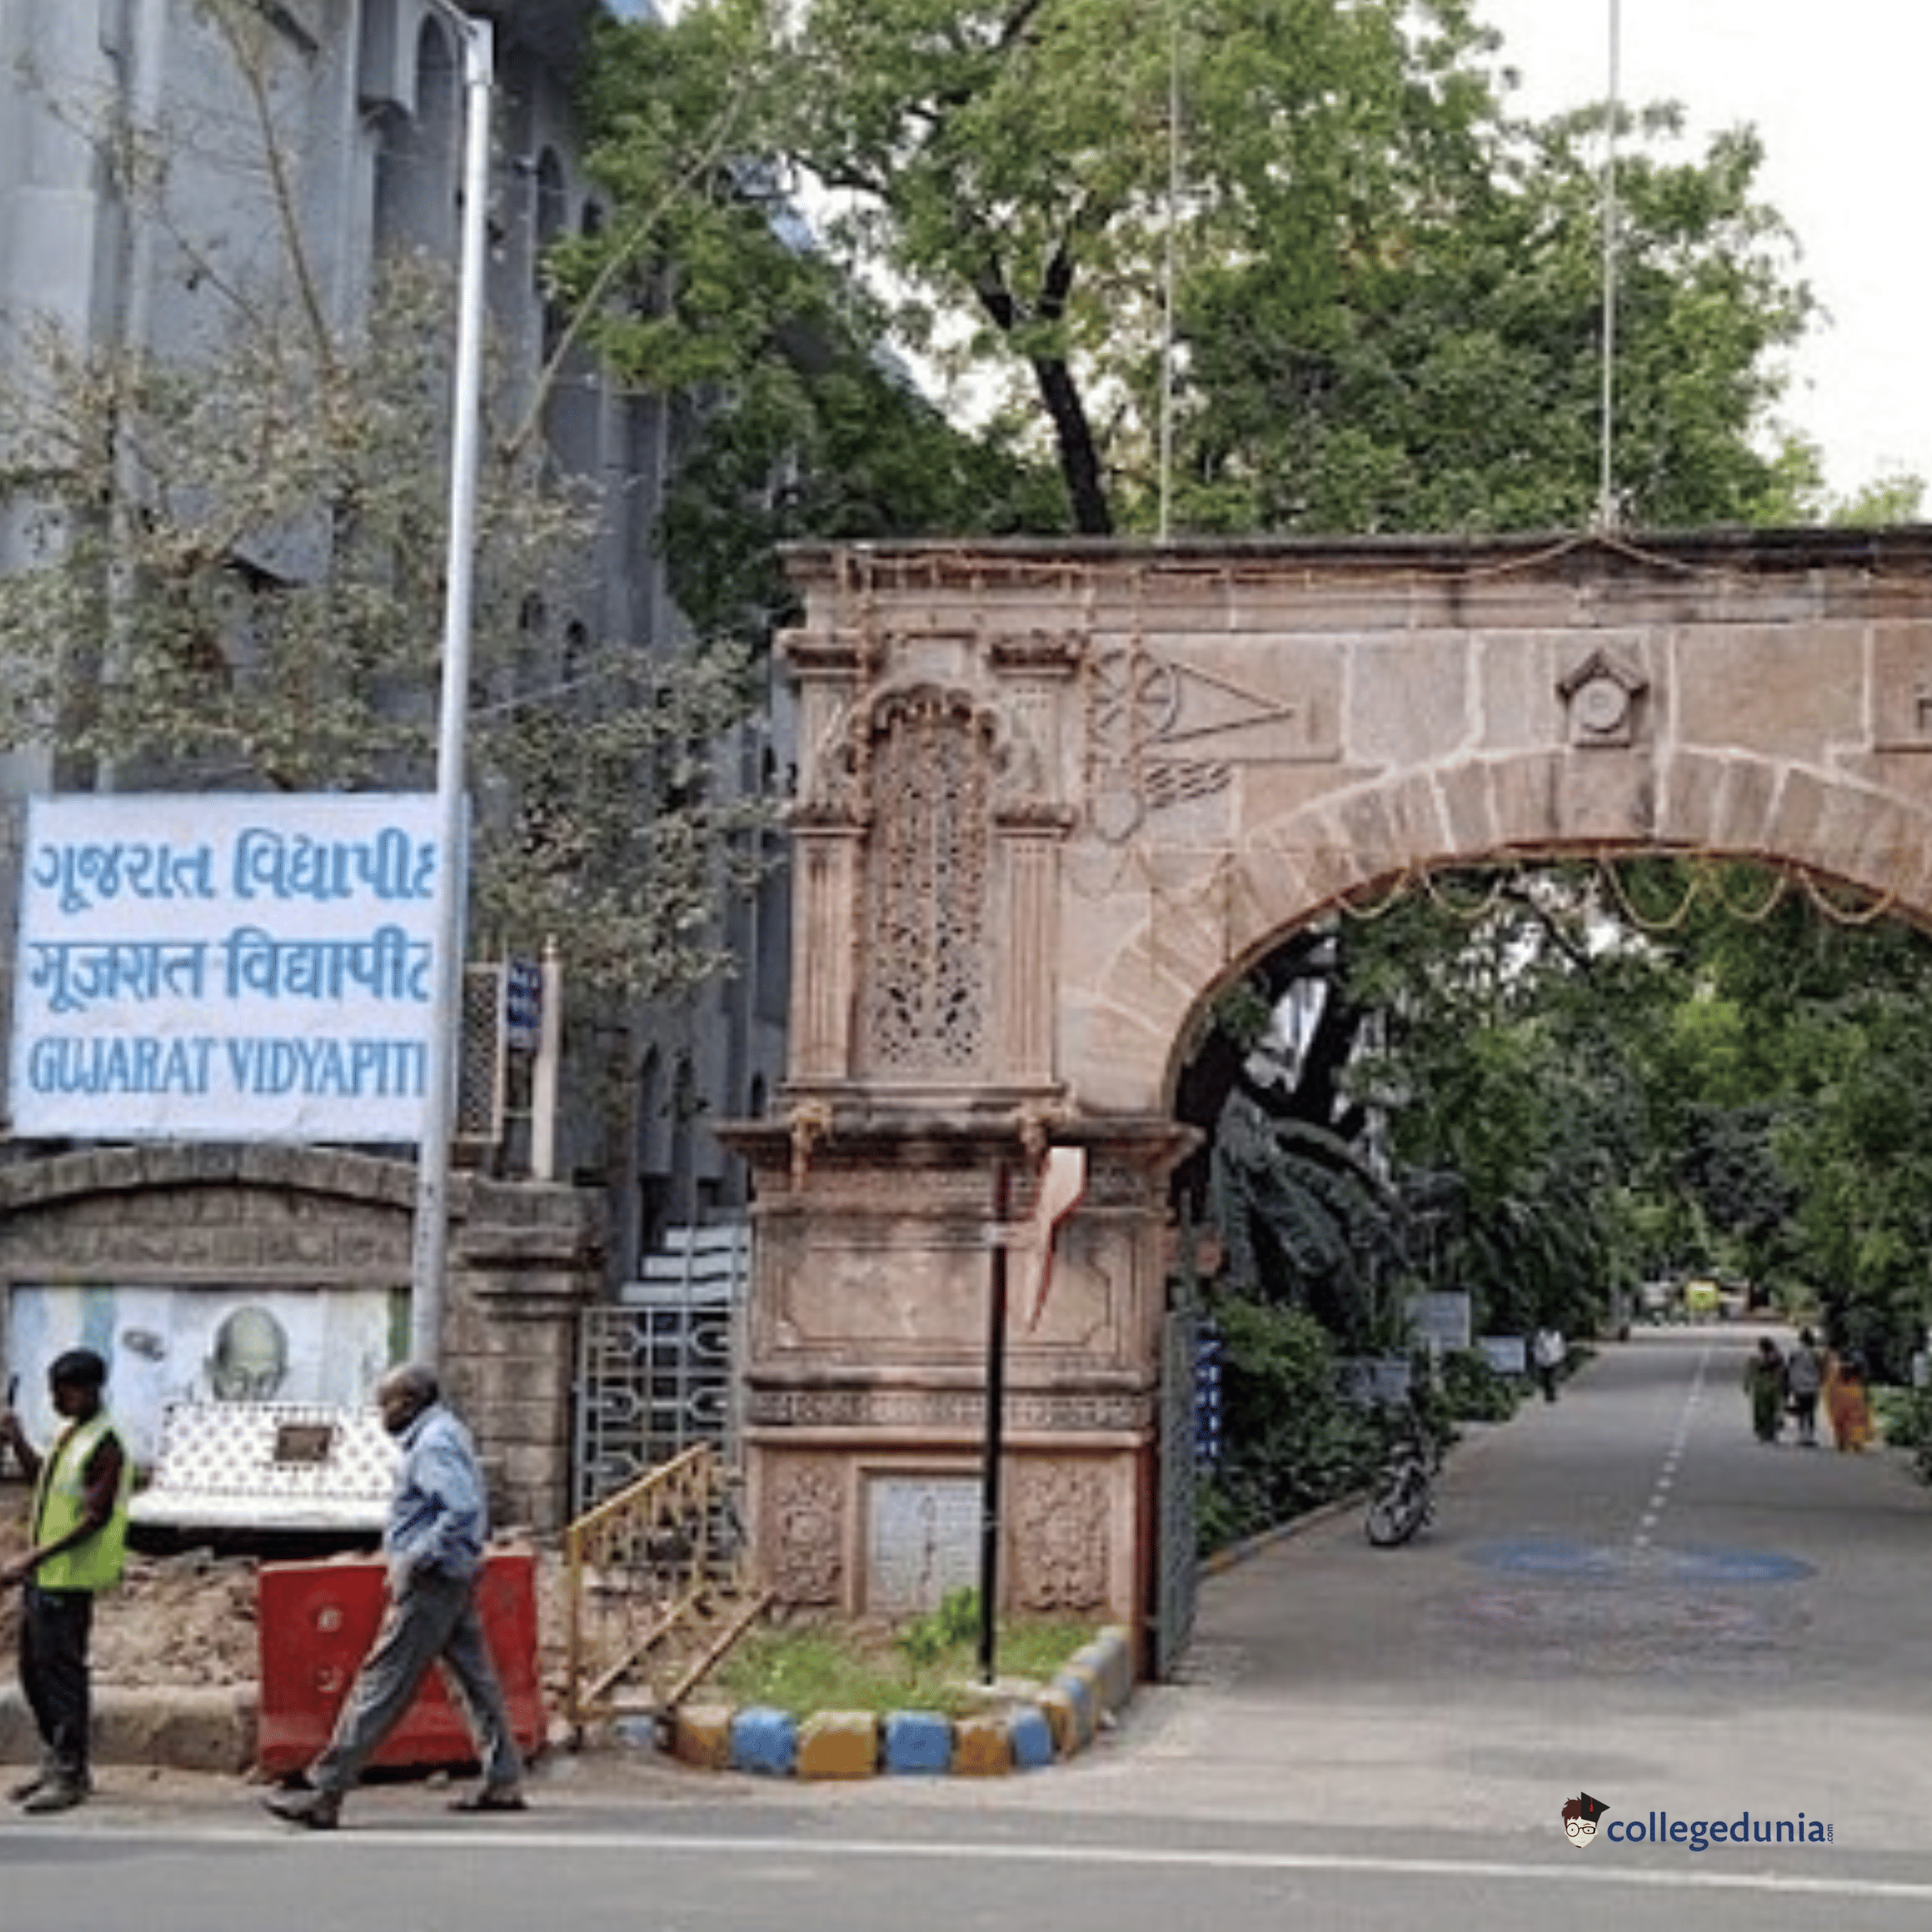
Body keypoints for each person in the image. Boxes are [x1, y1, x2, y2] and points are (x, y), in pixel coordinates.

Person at [262, 1363, 528, 1829]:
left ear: (409, 1402)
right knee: (474, 1679)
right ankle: (503, 1777)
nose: (380, 1414)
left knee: (382, 1683)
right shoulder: (447, 1432)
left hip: (432, 1579)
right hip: (453, 1574)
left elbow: (461, 1508)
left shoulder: (431, 1444)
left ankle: (327, 1789)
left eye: (385, 1404)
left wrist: (415, 1557)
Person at [0, 1348, 133, 1813]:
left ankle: (71, 1773)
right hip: (46, 1577)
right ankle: (55, 1760)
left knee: (61, 1679)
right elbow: (43, 1485)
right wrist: (17, 1439)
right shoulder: (71, 1436)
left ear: (89, 1391)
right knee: (33, 1674)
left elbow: (94, 1517)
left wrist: (30, 1558)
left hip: (70, 1579)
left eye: (64, 1392)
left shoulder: (105, 1445)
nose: (56, 1400)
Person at [1824, 1348, 1876, 1454]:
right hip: (1853, 1395)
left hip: (1840, 1396)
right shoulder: (1855, 1372)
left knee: (1841, 1421)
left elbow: (1830, 1387)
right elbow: (1864, 1383)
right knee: (1855, 1419)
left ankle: (1844, 1442)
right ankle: (1856, 1442)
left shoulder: (1837, 1371)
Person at [1784, 1327, 1825, 1447]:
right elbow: (1820, 1368)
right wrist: (1821, 1381)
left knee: (1801, 1411)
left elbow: (1789, 1367)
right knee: (1811, 1412)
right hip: (1812, 1385)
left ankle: (1802, 1435)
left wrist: (1788, 1383)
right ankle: (1810, 1436)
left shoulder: (1794, 1352)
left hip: (1799, 1385)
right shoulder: (1816, 1353)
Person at [1744, 1336, 1786, 1444]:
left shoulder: (1756, 1359)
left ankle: (1765, 1432)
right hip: (1772, 1387)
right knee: (1771, 1410)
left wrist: (1747, 1385)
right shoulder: (1777, 1357)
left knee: (1764, 1411)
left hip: (1762, 1388)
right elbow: (1783, 1372)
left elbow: (1749, 1373)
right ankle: (1769, 1432)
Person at [1532, 1326, 1566, 1403]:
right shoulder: (1541, 1335)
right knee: (1547, 1379)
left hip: (1554, 1360)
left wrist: (1561, 1356)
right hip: (1543, 1361)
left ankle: (1551, 1395)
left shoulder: (1557, 1335)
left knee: (1552, 1378)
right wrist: (1537, 1358)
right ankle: (1548, 1395)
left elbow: (1560, 1346)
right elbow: (1537, 1347)